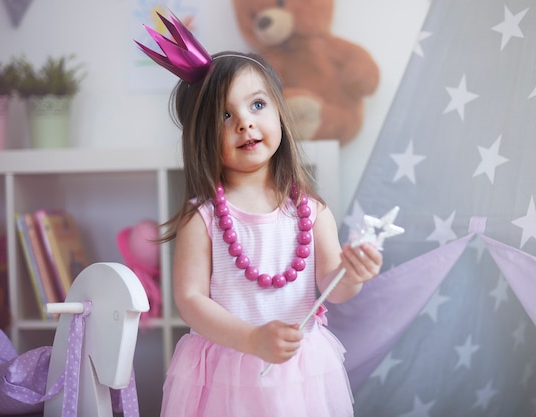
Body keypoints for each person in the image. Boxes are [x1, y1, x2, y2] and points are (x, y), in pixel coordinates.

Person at [137, 12, 383, 417]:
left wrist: (351, 275)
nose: (245, 122)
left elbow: (331, 290)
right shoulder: (203, 219)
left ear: (279, 113)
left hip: (299, 372)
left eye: (256, 104)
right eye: (224, 115)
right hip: (224, 373)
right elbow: (191, 299)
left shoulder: (311, 210)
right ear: (201, 133)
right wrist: (251, 339)